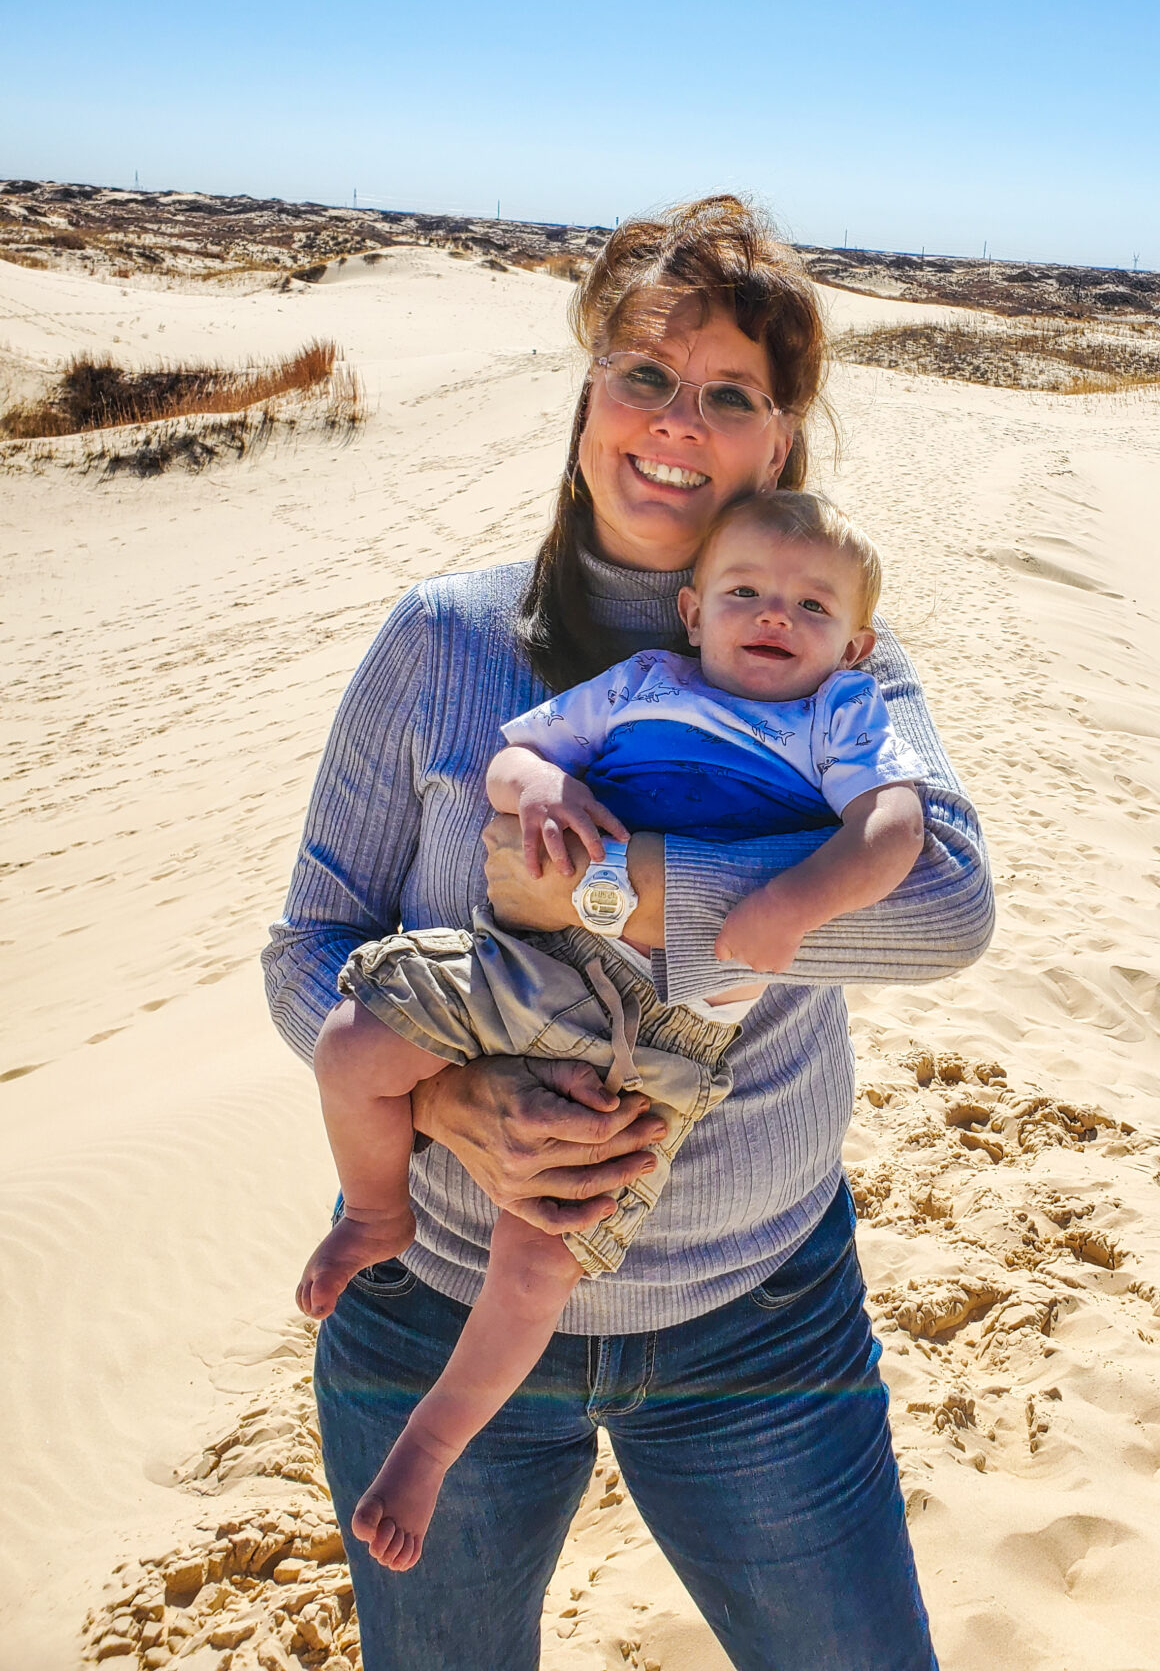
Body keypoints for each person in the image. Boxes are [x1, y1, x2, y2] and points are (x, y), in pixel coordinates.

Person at [263, 194, 994, 1671]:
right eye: (645, 376)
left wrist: (601, 891)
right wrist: (456, 1107)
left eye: (731, 394)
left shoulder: (837, 654)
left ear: (780, 439)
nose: (678, 424)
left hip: (759, 1319)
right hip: (435, 1303)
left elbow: (946, 910)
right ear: (592, 391)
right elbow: (311, 944)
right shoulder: (445, 641)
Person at [297, 489, 927, 1571]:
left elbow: (898, 831)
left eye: (811, 605)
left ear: (854, 642)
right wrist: (538, 782)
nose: (775, 614)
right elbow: (511, 757)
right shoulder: (644, 684)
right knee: (355, 1043)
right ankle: (374, 1207)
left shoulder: (842, 714)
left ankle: (434, 1441)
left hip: (663, 1029)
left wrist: (790, 899)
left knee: (540, 1246)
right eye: (746, 594)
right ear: (692, 611)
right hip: (530, 966)